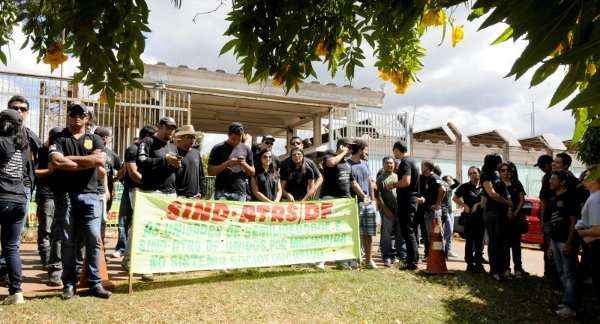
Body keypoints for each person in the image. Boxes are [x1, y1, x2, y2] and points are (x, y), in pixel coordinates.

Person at [48, 102, 111, 299]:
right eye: (73, 113)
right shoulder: (59, 137)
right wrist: (85, 162)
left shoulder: (96, 139)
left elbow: (99, 161)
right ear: (68, 116)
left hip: (91, 194)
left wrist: (69, 161)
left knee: (94, 238)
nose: (77, 117)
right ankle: (69, 284)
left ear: (87, 118)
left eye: (81, 114)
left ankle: (94, 283)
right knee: (67, 241)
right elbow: (56, 161)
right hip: (65, 195)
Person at [0, 109, 30, 304]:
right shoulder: (23, 146)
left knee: (10, 247)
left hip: (2, 197)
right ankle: (16, 293)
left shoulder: (1, 142)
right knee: (11, 247)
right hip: (19, 200)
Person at [113, 125, 155, 259]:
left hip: (146, 190)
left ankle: (138, 250)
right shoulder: (133, 149)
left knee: (141, 221)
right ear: (147, 137)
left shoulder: (149, 149)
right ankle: (121, 248)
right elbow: (132, 172)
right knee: (124, 220)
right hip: (132, 189)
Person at [320, 138, 357, 269]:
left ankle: (342, 260)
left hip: (344, 201)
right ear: (341, 146)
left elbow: (352, 182)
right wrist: (341, 153)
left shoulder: (347, 164)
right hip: (329, 199)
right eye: (348, 147)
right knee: (327, 231)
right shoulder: (329, 156)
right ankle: (320, 261)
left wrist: (364, 195)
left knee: (343, 231)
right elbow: (331, 163)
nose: (350, 150)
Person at [34, 127, 63, 286]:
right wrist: (50, 171)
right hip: (46, 196)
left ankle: (52, 264)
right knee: (46, 230)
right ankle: (46, 262)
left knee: (58, 233)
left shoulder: (61, 148)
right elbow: (34, 171)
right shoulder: (42, 151)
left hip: (60, 195)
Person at [548, 170, 579, 318]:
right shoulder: (554, 198)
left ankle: (571, 306)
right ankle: (567, 301)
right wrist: (549, 244)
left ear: (562, 182)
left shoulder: (570, 198)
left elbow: (574, 222)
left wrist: (569, 242)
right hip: (555, 241)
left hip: (565, 241)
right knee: (561, 272)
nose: (550, 181)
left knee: (570, 273)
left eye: (553, 179)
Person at [386, 141, 420, 270]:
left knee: (408, 231)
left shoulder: (405, 162)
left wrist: (393, 185)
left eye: (394, 151)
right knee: (409, 231)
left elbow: (406, 181)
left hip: (406, 200)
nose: (393, 154)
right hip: (411, 199)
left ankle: (412, 261)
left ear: (396, 150)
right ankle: (412, 259)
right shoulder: (413, 161)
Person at [480, 153, 511, 281]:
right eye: (499, 162)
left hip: (501, 212)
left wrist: (508, 204)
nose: (501, 164)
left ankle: (503, 270)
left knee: (503, 242)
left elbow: (504, 189)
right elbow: (491, 194)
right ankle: (494, 271)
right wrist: (506, 202)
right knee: (494, 242)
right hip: (492, 213)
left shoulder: (496, 174)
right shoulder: (486, 175)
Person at [348, 140, 377, 269]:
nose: (367, 152)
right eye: (365, 150)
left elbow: (370, 182)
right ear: (360, 150)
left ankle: (368, 260)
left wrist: (373, 200)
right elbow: (353, 184)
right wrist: (365, 197)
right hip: (354, 203)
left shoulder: (365, 164)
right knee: (355, 232)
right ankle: (354, 259)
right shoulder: (347, 164)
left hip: (368, 203)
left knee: (369, 233)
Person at [208, 122, 255, 201]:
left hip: (240, 192)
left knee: (239, 213)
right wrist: (227, 164)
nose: (236, 141)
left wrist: (244, 164)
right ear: (228, 135)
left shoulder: (246, 149)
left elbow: (252, 172)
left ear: (242, 136)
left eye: (239, 139)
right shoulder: (218, 148)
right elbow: (210, 171)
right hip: (222, 191)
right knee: (221, 213)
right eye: (233, 139)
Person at [94, 127, 123, 245]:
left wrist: (114, 179)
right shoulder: (88, 150)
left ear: (105, 139)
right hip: (89, 191)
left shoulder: (111, 155)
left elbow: (122, 169)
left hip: (106, 193)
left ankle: (100, 246)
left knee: (103, 220)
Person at [454, 166, 485, 273]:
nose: (472, 175)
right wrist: (464, 205)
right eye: (470, 173)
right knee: (470, 241)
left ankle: (479, 264)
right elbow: (455, 198)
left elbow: (486, 199)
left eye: (475, 173)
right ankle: (469, 264)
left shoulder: (484, 186)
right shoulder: (465, 186)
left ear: (479, 174)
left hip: (481, 218)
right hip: (469, 218)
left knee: (480, 242)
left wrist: (479, 204)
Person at [137, 116, 179, 194]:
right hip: (152, 192)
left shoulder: (173, 146)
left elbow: (176, 171)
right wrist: (164, 159)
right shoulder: (148, 141)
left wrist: (178, 165)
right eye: (168, 128)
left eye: (173, 129)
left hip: (170, 193)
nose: (171, 131)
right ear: (159, 127)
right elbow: (141, 160)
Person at [576, 165, 600, 301]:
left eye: (587, 175)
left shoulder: (596, 199)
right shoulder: (593, 197)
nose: (584, 177)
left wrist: (580, 233)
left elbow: (598, 230)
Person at [500, 161, 528, 278]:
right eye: (503, 170)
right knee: (505, 245)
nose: (505, 173)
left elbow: (522, 200)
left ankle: (518, 269)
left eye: (508, 170)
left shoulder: (517, 183)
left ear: (512, 172)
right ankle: (506, 269)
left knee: (516, 244)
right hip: (502, 218)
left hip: (515, 218)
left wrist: (515, 213)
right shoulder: (498, 184)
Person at [536, 154, 558, 282]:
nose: (541, 169)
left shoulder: (548, 178)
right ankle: (550, 274)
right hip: (555, 217)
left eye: (542, 166)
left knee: (549, 247)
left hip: (550, 217)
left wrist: (543, 220)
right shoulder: (562, 177)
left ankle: (550, 275)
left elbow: (543, 201)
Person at [376, 157, 400, 267]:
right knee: (386, 235)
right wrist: (386, 210)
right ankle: (386, 257)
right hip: (387, 211)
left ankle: (394, 255)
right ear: (383, 164)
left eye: (391, 163)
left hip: (398, 211)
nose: (389, 165)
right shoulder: (380, 179)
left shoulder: (398, 177)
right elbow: (378, 197)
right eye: (387, 163)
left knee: (397, 235)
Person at [421, 161, 446, 255]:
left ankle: (439, 256)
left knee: (436, 234)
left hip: (434, 212)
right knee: (431, 235)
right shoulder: (426, 178)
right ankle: (433, 256)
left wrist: (438, 204)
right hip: (428, 210)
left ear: (427, 167)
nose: (421, 169)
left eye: (422, 166)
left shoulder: (435, 177)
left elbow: (443, 189)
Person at [174, 125, 204, 198]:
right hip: (178, 198)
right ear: (181, 138)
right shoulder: (173, 152)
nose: (193, 139)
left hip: (195, 198)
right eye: (189, 137)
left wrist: (201, 192)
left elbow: (201, 176)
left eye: (194, 137)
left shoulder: (196, 153)